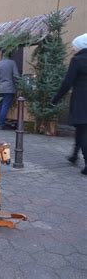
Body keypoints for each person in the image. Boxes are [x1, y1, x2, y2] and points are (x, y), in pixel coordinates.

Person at [51, 33, 87, 175]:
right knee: (81, 129)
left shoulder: (77, 60)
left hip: (81, 100)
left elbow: (67, 82)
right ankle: (74, 155)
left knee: (83, 130)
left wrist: (55, 99)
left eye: (74, 47)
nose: (72, 49)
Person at [0, 51, 20, 129]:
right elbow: (16, 76)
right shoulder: (12, 63)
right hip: (9, 88)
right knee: (5, 106)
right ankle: (1, 124)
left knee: (0, 106)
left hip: (0, 88)